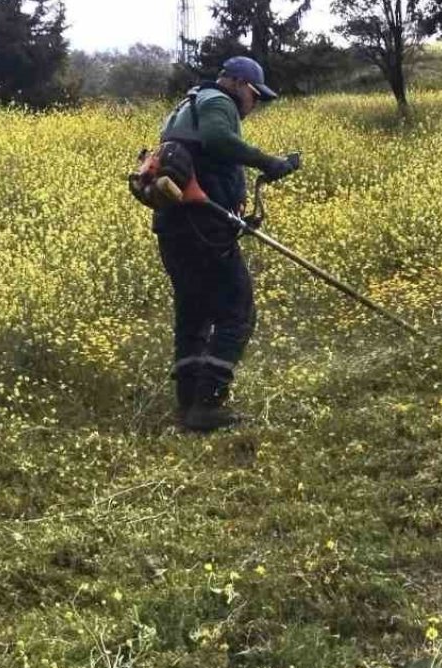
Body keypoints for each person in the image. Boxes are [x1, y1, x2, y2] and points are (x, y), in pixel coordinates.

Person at [153, 56, 301, 433]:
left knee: (194, 312)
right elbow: (219, 141)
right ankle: (208, 403)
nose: (254, 104)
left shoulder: (187, 105)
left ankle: (187, 406)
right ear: (237, 83)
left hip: (174, 227)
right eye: (254, 95)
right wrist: (268, 161)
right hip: (204, 227)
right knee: (238, 310)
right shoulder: (219, 100)